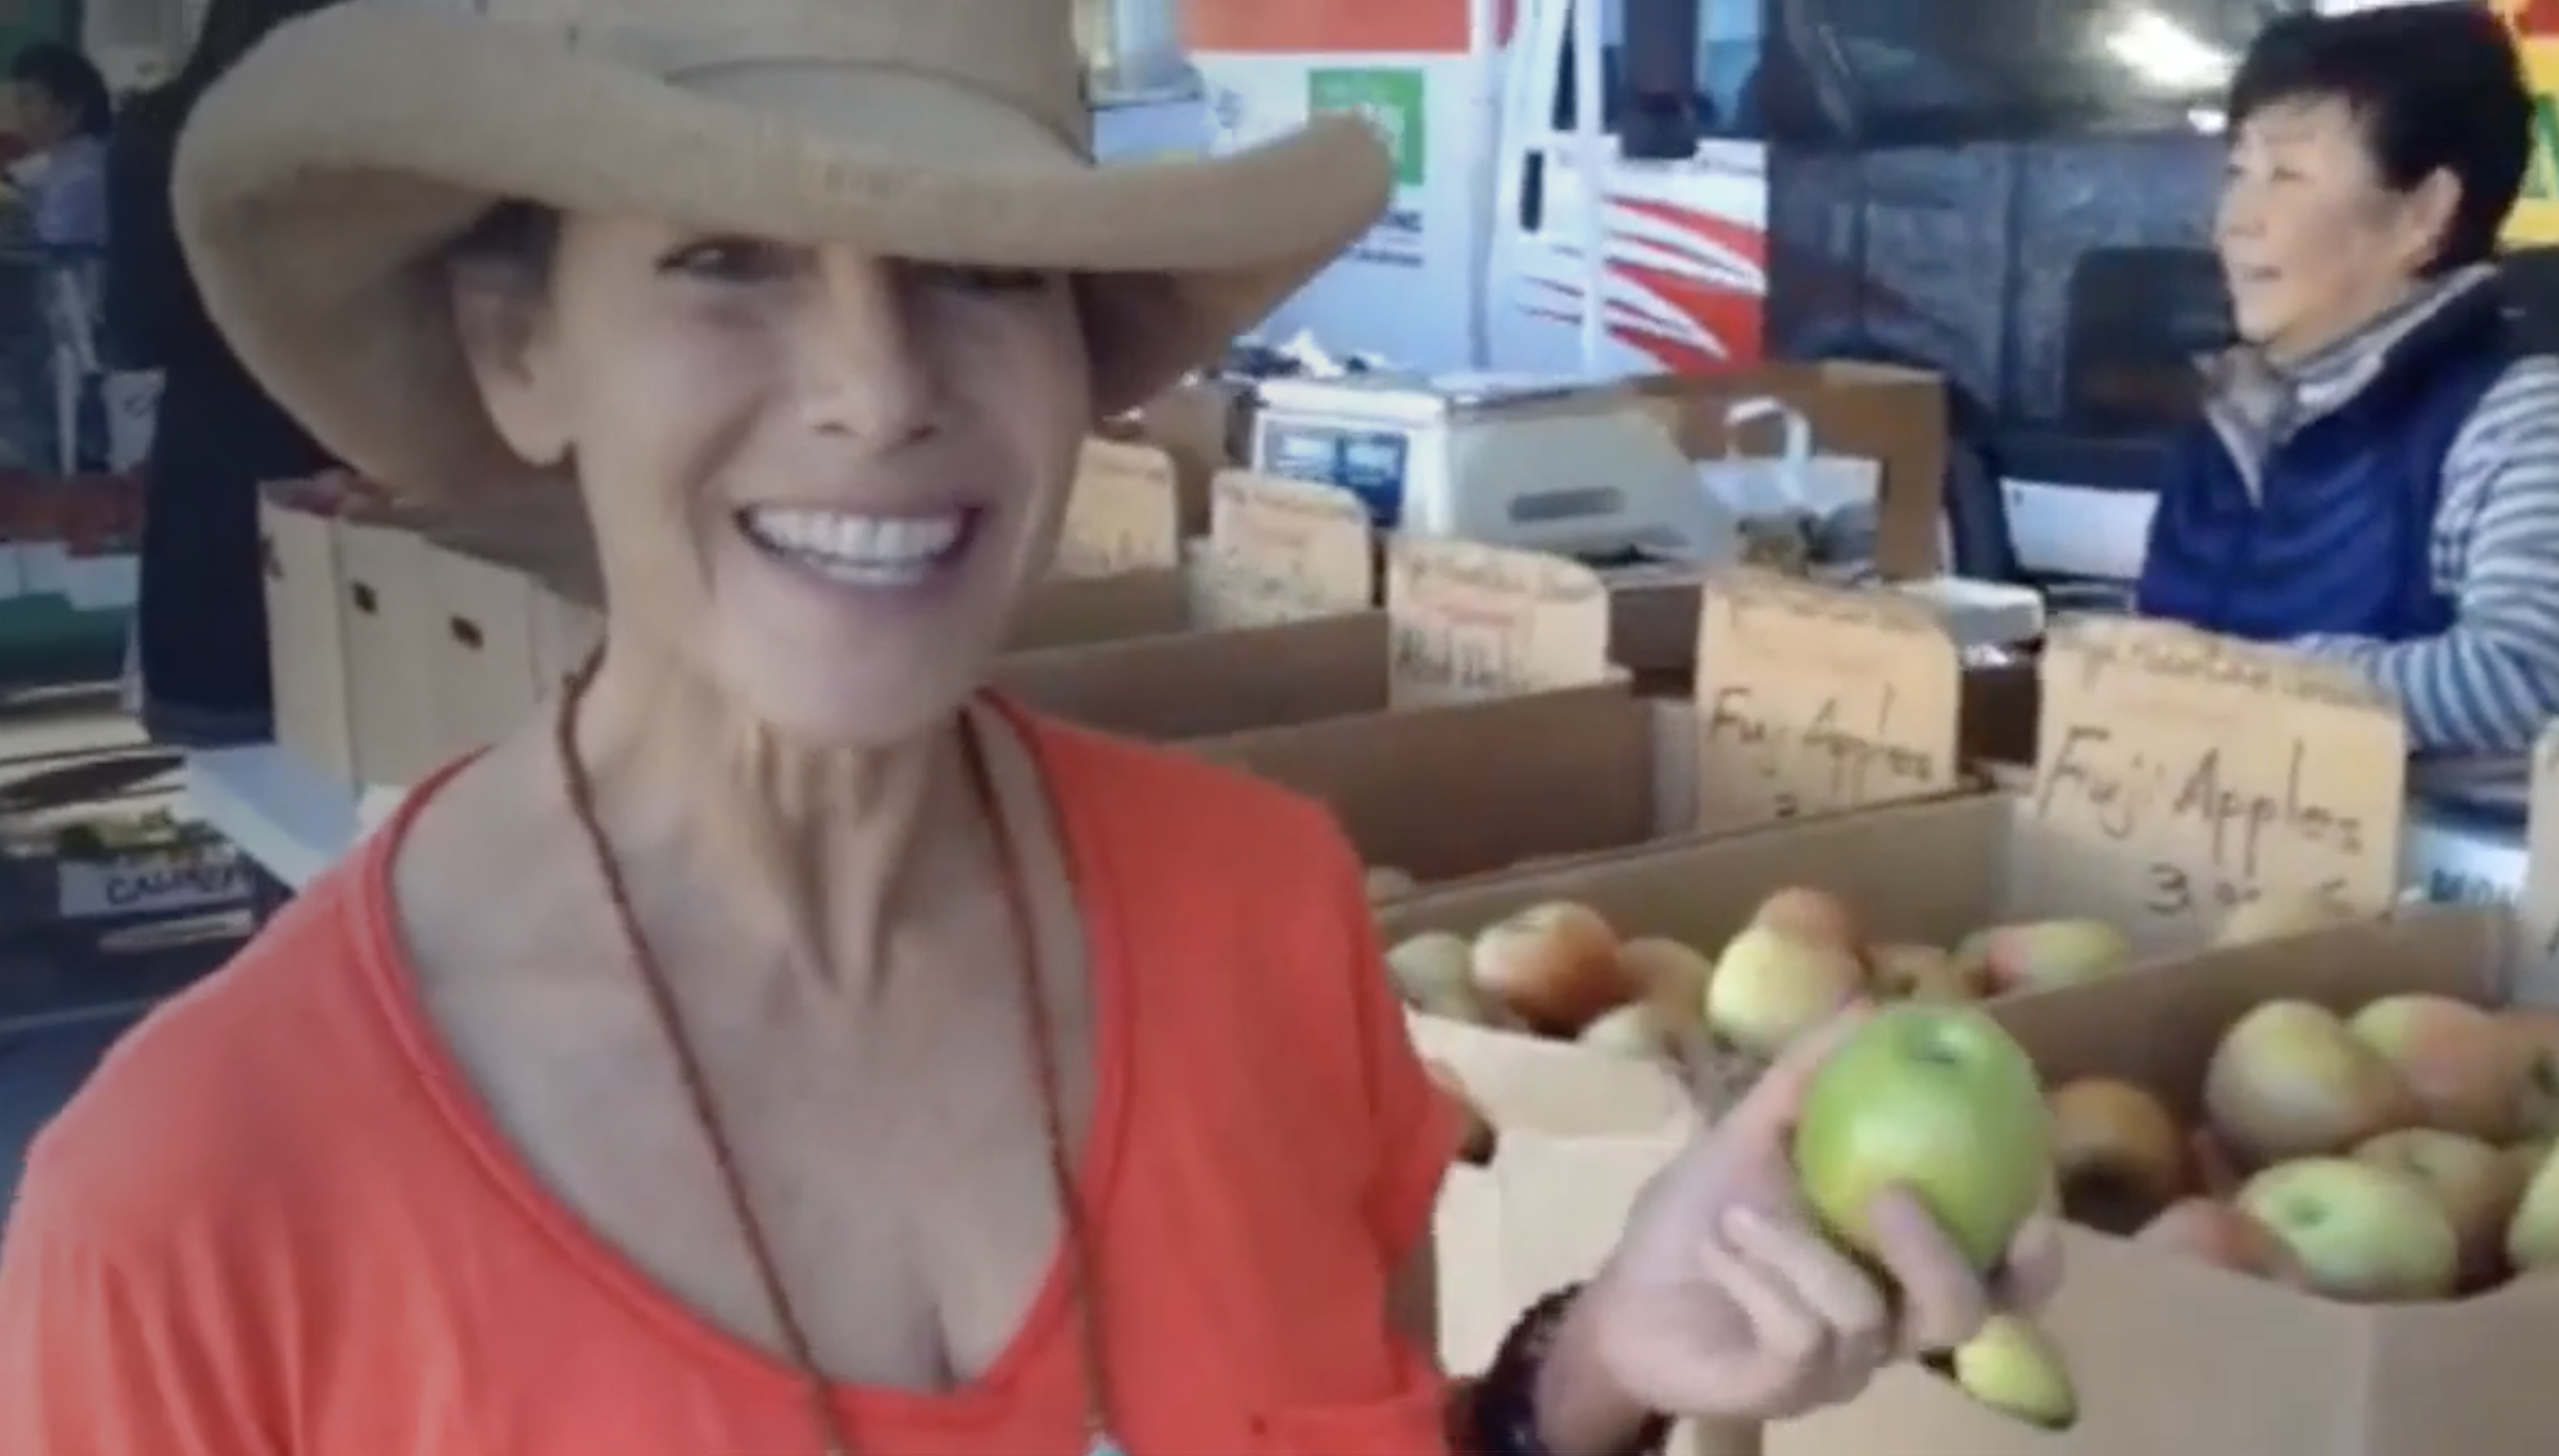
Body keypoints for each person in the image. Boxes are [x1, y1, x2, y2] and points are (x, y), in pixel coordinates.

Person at [0, 1, 2059, 1452]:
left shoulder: (1258, 915)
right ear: (521, 348)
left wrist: (1595, 1368)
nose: (877, 388)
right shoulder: (198, 1213)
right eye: (726, 265)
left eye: (975, 271)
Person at [2136, 3, 2559, 816]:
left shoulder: (2518, 414)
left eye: (2285, 176)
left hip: (2431, 899)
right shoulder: (2234, 410)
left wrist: (2234, 682)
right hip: (2201, 860)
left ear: (2422, 214)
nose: (2236, 220)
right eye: (2236, 171)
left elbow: (2527, 676)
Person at [104, 0, 343, 745]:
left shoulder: (158, 134)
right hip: (355, 441)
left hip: (216, 449)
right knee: (368, 715)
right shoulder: (362, 137)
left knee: (241, 751)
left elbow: (136, 329)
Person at [6, 42, 111, 251]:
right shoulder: (70, 159)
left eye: (27, 101)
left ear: (71, 109)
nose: (19, 113)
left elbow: (53, 255)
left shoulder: (79, 179)